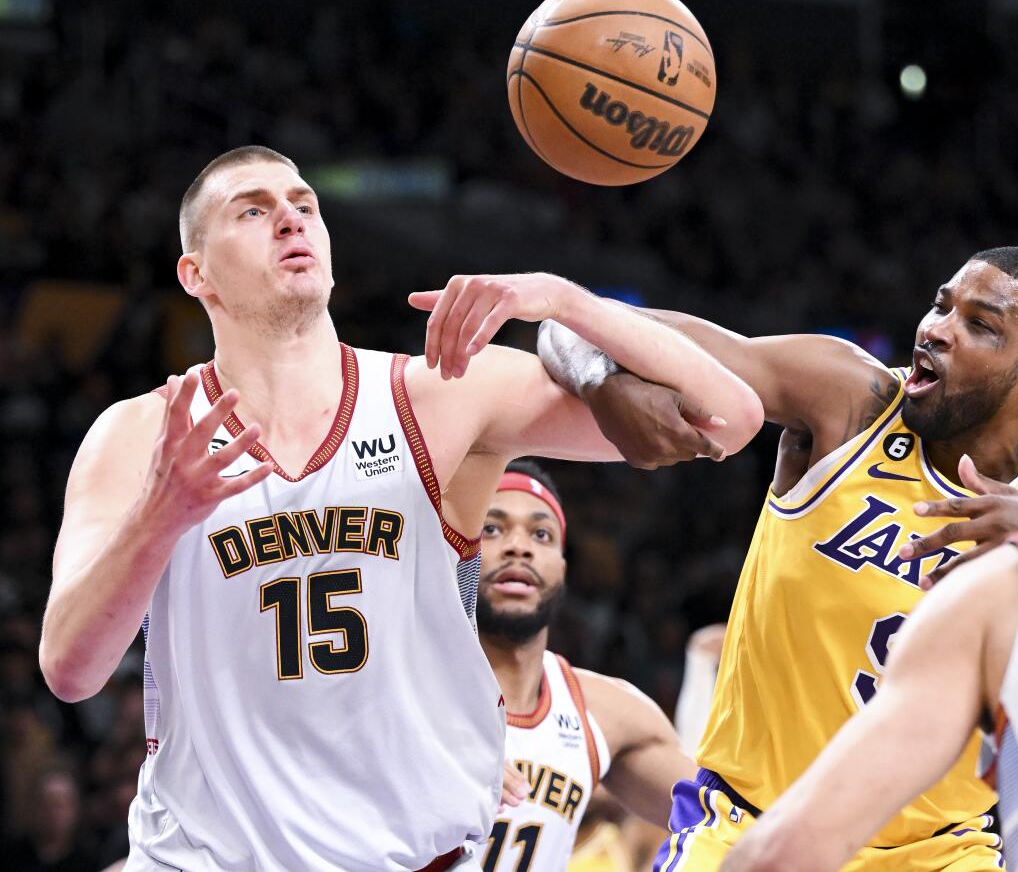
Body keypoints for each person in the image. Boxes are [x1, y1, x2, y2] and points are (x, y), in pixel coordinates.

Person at [39, 145, 764, 872]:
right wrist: (160, 515)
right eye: (253, 210)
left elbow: (727, 418)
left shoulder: (439, 396)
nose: (290, 218)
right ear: (195, 273)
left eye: (304, 205)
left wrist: (564, 302)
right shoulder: (142, 433)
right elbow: (70, 669)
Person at [538, 247, 1018, 870]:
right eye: (940, 305)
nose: (937, 330)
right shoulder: (851, 399)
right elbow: (575, 323)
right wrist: (599, 383)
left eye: (980, 325)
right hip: (751, 826)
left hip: (939, 853)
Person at [721, 278, 1018, 871]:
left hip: (920, 838)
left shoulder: (1011, 580)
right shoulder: (857, 401)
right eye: (943, 306)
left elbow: (786, 854)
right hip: (757, 793)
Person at [477, 459, 697, 872]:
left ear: (561, 567)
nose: (518, 546)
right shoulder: (399, 694)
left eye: (541, 534)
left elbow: (722, 819)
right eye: (492, 528)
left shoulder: (610, 713)